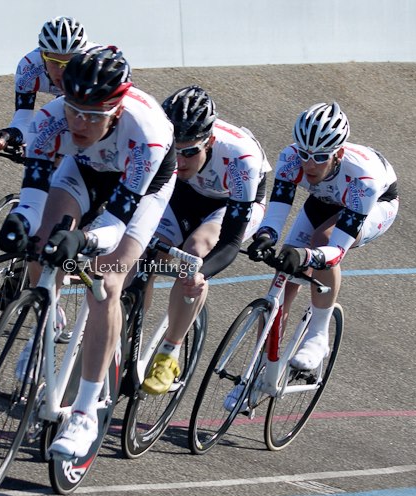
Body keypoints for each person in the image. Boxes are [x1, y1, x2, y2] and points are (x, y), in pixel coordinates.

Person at [0, 46, 177, 458]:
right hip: (84, 168)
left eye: (93, 115)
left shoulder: (146, 131)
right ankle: (46, 321)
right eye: (74, 109)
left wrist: (85, 240)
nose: (78, 121)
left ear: (116, 109)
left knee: (107, 280)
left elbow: (115, 223)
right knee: (42, 241)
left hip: (142, 188)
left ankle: (84, 413)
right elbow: (32, 196)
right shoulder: (50, 119)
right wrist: (21, 223)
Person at [246, 101, 399, 373]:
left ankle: (318, 334)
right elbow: (277, 214)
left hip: (374, 203)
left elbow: (337, 250)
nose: (309, 164)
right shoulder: (291, 159)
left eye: (319, 157)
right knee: (284, 276)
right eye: (304, 153)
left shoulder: (364, 180)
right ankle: (258, 370)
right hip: (326, 199)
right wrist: (266, 236)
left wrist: (306, 256)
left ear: (338, 153)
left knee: (321, 241)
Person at [140, 85, 272, 395]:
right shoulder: (156, 138)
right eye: (175, 149)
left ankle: (169, 354)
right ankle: (129, 329)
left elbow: (228, 244)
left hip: (230, 204)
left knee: (194, 253)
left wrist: (201, 272)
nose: (180, 159)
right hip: (183, 194)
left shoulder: (241, 159)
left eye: (189, 152)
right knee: (143, 255)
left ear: (210, 141)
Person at [0, 16, 93, 152]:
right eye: (54, 62)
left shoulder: (94, 66)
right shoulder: (28, 68)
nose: (62, 71)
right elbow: (23, 121)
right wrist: (9, 135)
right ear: (43, 54)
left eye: (69, 62)